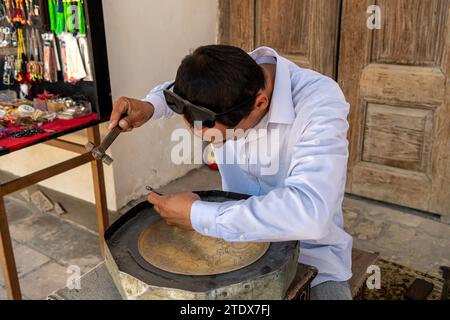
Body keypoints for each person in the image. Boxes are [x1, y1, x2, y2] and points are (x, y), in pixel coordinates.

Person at [109, 45, 353, 300]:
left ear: (260, 103)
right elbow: (179, 92)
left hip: (310, 255)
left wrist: (198, 215)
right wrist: (151, 106)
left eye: (222, 139)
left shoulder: (319, 103)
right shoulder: (226, 77)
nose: (215, 143)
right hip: (232, 242)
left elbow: (311, 213)